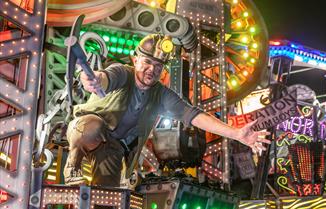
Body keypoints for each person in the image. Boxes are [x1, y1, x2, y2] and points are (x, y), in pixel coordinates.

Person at [63, 34, 270, 186]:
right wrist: (91, 79)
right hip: (88, 130)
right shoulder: (123, 73)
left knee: (105, 200)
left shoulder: (161, 94)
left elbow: (193, 115)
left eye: (158, 66)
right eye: (147, 62)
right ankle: (73, 165)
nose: (152, 69)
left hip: (113, 148)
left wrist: (236, 134)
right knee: (92, 127)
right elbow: (103, 78)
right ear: (136, 60)